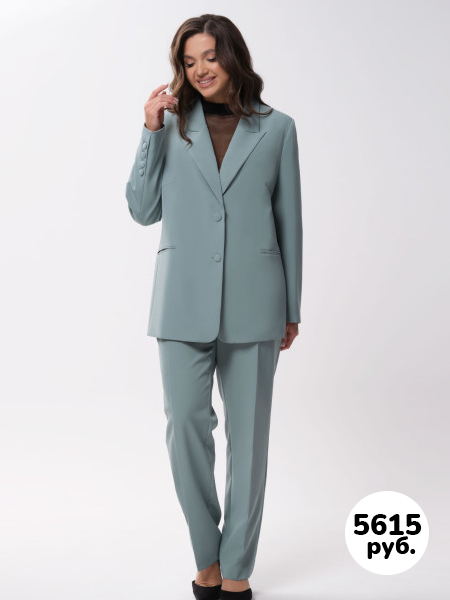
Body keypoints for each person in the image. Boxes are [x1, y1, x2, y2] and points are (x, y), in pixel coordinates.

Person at [125, 13, 303, 600]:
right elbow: (141, 209)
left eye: (209, 56)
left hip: (256, 300)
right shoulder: (171, 125)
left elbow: (290, 223)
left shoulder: (278, 129)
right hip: (180, 300)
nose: (199, 69)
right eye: (188, 60)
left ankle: (237, 566)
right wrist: (149, 130)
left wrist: (291, 307)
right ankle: (207, 553)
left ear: (232, 57)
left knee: (249, 439)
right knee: (185, 427)